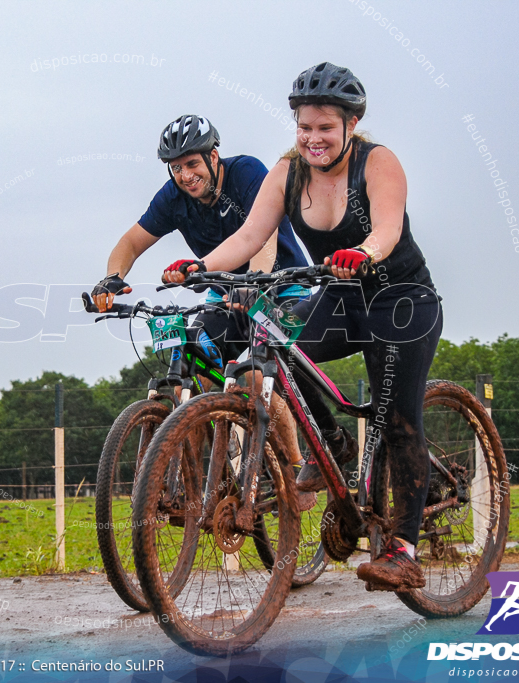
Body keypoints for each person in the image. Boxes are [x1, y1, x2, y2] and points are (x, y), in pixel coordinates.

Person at [161, 63, 443, 590]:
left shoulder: (377, 164)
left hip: (401, 300)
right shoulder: (288, 172)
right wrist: (203, 268)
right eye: (304, 127)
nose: (313, 138)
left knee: (399, 421)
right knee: (280, 346)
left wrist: (363, 252)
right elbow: (248, 236)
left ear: (350, 125)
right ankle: (332, 444)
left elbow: (388, 227)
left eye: (325, 128)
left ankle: (404, 550)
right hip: (339, 297)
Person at [91, 114, 308, 365]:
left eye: (192, 163)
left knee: (262, 373)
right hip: (224, 296)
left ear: (213, 157)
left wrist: (253, 283)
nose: (185, 176)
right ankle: (198, 406)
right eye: (176, 168)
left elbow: (263, 236)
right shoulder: (173, 197)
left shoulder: (247, 173)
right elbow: (130, 242)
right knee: (195, 357)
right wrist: (112, 277)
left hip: (282, 286)